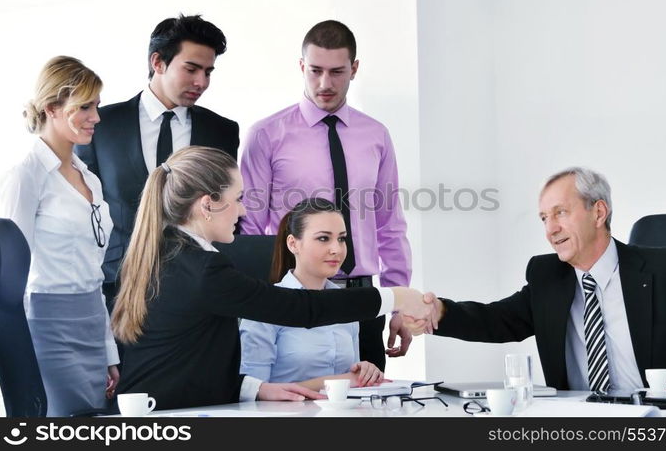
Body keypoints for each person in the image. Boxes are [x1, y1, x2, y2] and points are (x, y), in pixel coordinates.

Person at [112, 146, 434, 411]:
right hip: (169, 416)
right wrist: (397, 297)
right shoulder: (204, 269)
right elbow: (300, 309)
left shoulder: (166, 253)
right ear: (208, 204)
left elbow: (188, 358)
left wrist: (258, 389)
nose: (243, 212)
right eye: (238, 199)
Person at [409, 167, 666, 395]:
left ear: (598, 212)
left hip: (660, 419)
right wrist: (439, 312)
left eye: (560, 213)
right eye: (544, 218)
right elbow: (495, 319)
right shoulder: (547, 276)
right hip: (578, 423)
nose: (551, 230)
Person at [240, 20, 412, 371]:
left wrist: (400, 303)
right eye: (315, 70)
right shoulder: (266, 135)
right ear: (301, 66)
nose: (324, 83)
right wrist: (260, 304)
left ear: (355, 69)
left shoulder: (376, 135)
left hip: (363, 298)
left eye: (337, 72)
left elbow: (390, 224)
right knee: (293, 404)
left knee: (366, 408)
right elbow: (251, 230)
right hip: (295, 296)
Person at [76, 14, 239, 311]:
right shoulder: (101, 125)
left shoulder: (223, 131)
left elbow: (226, 207)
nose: (201, 82)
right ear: (158, 62)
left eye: (208, 72)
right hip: (119, 285)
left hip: (197, 288)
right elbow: (85, 210)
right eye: (191, 69)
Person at [0, 56, 119, 416]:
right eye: (84, 106)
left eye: (96, 105)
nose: (96, 117)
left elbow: (93, 273)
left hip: (92, 323)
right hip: (46, 328)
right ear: (52, 107)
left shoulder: (91, 180)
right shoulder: (27, 176)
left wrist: (108, 351)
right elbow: (7, 279)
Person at [240, 198, 384, 390]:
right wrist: (339, 381)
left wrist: (363, 373)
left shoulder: (346, 305)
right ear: (293, 244)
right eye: (323, 238)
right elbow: (253, 391)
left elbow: (350, 379)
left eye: (341, 238)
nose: (337, 249)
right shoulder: (266, 307)